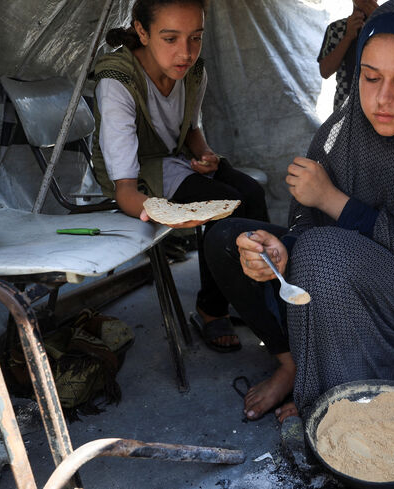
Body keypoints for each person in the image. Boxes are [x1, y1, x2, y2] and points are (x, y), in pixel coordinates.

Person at [205, 0, 394, 421]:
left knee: (323, 256)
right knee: (227, 240)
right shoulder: (346, 126)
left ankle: (343, 410)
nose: (382, 98)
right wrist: (281, 250)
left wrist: (331, 201)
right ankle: (292, 364)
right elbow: (306, 222)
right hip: (348, 264)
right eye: (370, 76)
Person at [91, 0, 269, 352]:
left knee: (251, 193)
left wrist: (203, 154)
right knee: (222, 205)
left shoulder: (194, 73)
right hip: (133, 171)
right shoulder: (117, 81)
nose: (185, 53)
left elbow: (190, 129)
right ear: (142, 31)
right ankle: (211, 309)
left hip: (173, 159)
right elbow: (124, 188)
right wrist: (160, 212)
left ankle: (258, 295)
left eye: (196, 38)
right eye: (170, 38)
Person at [317, 0, 379, 112]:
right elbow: (325, 71)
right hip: (343, 105)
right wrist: (348, 36)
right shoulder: (336, 28)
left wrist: (380, 22)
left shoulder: (386, 27)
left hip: (377, 105)